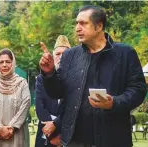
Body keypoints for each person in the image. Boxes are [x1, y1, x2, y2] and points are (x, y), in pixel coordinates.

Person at [39, 5, 146, 147]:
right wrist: (49, 73)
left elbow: (138, 90)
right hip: (75, 141)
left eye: (83, 23)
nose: (77, 28)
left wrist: (114, 102)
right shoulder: (70, 56)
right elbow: (57, 92)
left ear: (99, 26)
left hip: (113, 139)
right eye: (76, 23)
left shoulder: (125, 53)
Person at [0, 48, 31, 147]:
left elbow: (26, 105)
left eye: (8, 61)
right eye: (1, 62)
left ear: (13, 63)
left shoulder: (22, 83)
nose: (4, 65)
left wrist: (12, 128)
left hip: (16, 134)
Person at [35, 35, 71, 147]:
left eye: (65, 54)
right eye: (58, 54)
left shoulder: (77, 79)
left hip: (68, 132)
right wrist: (52, 133)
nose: (61, 57)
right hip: (46, 132)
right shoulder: (42, 78)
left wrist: (58, 127)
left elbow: (74, 108)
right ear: (52, 56)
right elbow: (40, 107)